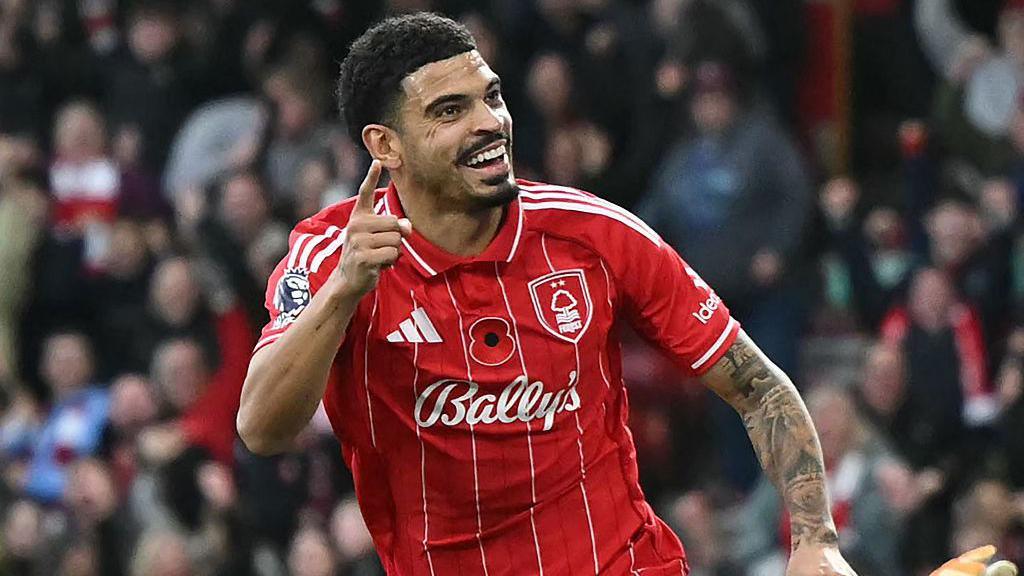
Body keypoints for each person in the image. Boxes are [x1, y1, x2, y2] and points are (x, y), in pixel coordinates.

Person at [238, 13, 856, 576]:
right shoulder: (330, 258)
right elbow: (262, 428)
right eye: (449, 111)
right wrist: (345, 292)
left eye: (492, 96)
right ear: (385, 146)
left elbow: (757, 385)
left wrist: (815, 540)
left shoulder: (594, 233)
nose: (488, 122)